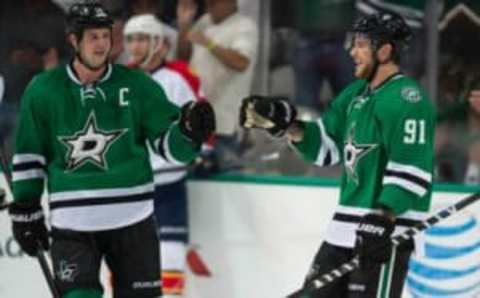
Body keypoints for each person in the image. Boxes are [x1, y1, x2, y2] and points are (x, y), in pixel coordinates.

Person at [7, 2, 215, 298]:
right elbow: (29, 155)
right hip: (73, 227)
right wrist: (26, 208)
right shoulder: (43, 90)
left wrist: (187, 133)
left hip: (134, 224)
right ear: (73, 40)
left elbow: (171, 149)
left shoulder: (138, 86)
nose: (102, 43)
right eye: (93, 37)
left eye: (106, 36)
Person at [240, 12, 435, 297]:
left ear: (384, 50)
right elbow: (327, 148)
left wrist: (382, 218)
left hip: (383, 235)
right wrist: (287, 126)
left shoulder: (408, 100)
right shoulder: (355, 93)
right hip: (342, 230)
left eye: (360, 44)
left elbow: (412, 170)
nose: (351, 51)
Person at [123, 13, 205, 297]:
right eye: (131, 39)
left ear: (158, 42)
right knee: (125, 254)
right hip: (132, 184)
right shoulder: (121, 80)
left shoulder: (177, 78)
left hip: (168, 184)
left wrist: (202, 150)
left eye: (142, 38)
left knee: (170, 253)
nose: (135, 46)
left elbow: (200, 122)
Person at [177, 0, 258, 139]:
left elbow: (241, 63)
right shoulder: (204, 21)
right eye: (207, 3)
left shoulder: (244, 26)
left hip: (224, 123)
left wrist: (208, 43)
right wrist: (184, 26)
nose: (209, 6)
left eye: (214, 3)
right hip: (196, 116)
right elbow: (183, 57)